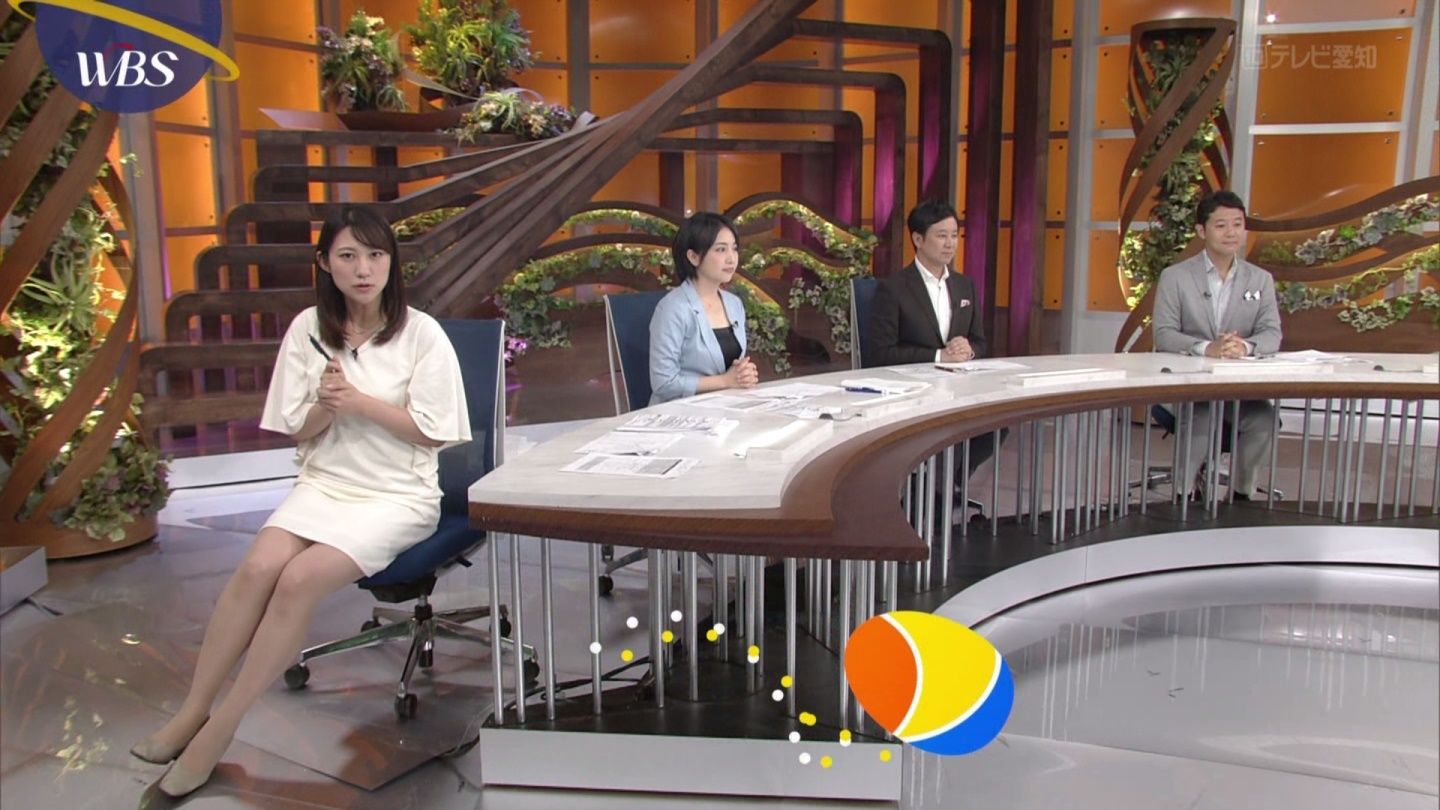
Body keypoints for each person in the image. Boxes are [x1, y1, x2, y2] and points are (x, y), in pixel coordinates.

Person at [132, 206, 471, 800]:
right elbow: (298, 428)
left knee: (297, 579)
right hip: (324, 484)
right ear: (324, 263)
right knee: (257, 568)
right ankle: (191, 712)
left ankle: (220, 730)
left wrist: (359, 402)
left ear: (391, 262)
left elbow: (433, 431)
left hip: (397, 494)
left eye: (375, 255)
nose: (363, 269)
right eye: (348, 256)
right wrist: (325, 405)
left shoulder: (421, 334)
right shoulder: (308, 329)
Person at [865, 199, 1003, 515]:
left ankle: (945, 485)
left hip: (958, 386)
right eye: (941, 236)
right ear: (918, 239)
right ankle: (932, 493)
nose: (950, 244)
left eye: (954, 235)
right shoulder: (894, 289)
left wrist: (969, 349)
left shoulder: (964, 285)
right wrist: (939, 355)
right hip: (913, 389)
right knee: (941, 426)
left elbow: (980, 342)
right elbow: (880, 354)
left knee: (998, 422)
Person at [1152, 189, 1282, 500]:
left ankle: (1241, 495)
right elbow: (1164, 334)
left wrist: (1245, 347)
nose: (1231, 233)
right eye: (1221, 225)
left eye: (1237, 224)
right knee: (1203, 414)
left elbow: (1271, 334)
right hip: (1187, 387)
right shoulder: (1175, 277)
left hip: (1237, 390)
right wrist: (1205, 347)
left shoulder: (1260, 279)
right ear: (1202, 231)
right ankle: (1183, 495)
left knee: (1264, 419)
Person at [648, 211, 758, 405]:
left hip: (726, 406)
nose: (731, 259)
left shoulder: (734, 304)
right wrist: (725, 381)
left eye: (734, 249)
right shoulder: (672, 309)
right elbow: (663, 383)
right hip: (681, 411)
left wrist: (744, 374)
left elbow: (734, 367)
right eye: (721, 250)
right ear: (693, 257)